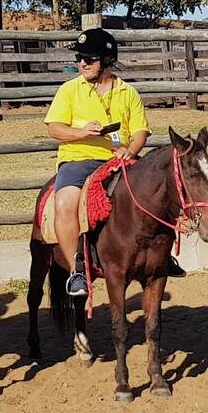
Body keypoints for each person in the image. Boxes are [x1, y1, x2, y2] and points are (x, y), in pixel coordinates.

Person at [43, 28, 157, 298]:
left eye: (89, 58)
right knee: (64, 203)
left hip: (120, 159)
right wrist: (82, 133)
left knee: (156, 194)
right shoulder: (70, 90)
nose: (82, 63)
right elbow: (54, 129)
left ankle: (160, 257)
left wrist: (131, 149)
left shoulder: (128, 93)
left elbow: (140, 131)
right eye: (79, 57)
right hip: (78, 160)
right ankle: (76, 271)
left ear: (106, 60)